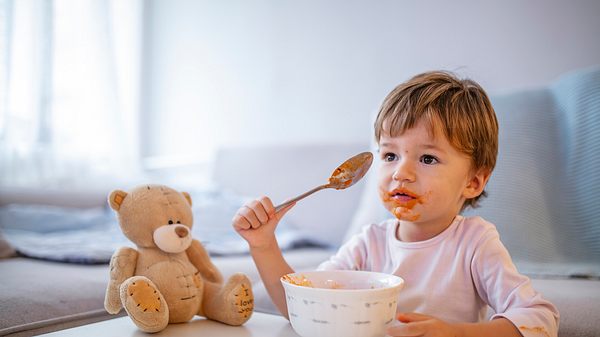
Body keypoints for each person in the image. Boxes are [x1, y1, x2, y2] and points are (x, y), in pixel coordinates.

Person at [232, 71, 559, 337]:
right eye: (390, 155)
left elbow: (538, 317)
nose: (401, 172)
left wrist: (455, 333)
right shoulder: (368, 243)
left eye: (428, 158)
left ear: (473, 182)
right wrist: (264, 246)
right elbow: (305, 307)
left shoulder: (475, 243)